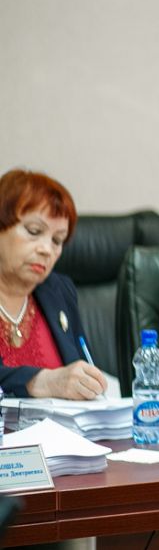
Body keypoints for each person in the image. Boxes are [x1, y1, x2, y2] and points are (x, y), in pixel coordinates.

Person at [0, 169, 107, 399]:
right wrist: (40, 382)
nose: (46, 250)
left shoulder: (59, 291)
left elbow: (82, 372)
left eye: (57, 240)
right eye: (34, 231)